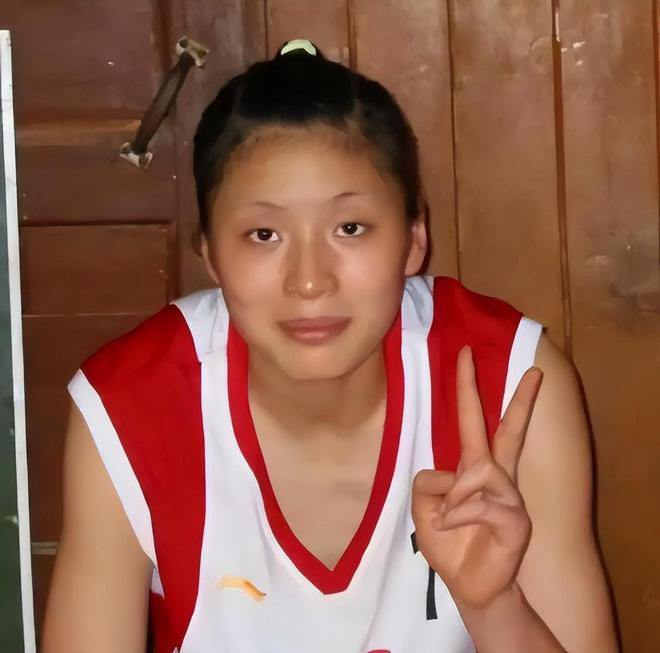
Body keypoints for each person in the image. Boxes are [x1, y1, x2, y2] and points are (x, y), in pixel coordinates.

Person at [42, 39, 618, 653]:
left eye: (350, 227)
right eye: (264, 234)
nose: (310, 281)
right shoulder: (130, 409)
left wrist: (494, 606)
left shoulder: (510, 383)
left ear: (414, 238)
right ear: (210, 254)